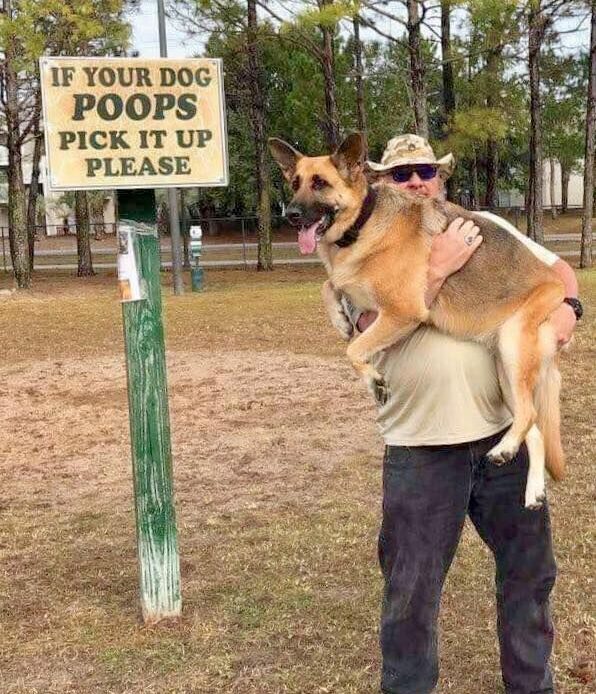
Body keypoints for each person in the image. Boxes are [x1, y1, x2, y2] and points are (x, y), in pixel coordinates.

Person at [335, 135, 581, 694]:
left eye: (425, 171)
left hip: (502, 439)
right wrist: (438, 269)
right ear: (380, 184)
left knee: (529, 575)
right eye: (401, 175)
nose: (416, 181)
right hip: (422, 449)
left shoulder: (481, 223)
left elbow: (557, 270)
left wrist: (569, 308)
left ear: (440, 177)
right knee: (411, 593)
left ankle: (531, 686)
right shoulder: (357, 246)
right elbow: (376, 319)